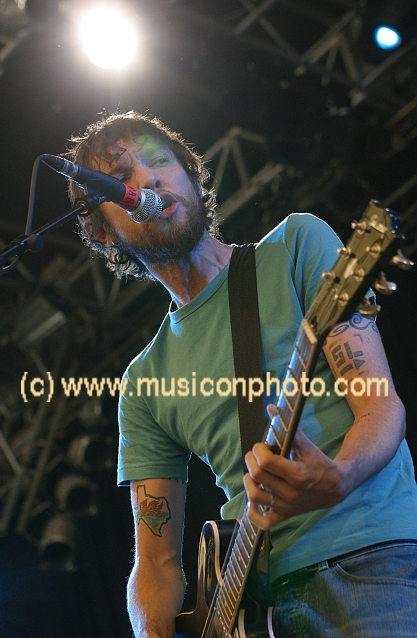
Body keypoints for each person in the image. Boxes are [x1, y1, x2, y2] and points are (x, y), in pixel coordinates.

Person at [66, 111, 417, 637]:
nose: (149, 179)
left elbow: (379, 406)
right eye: (121, 179)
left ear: (191, 174)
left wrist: (340, 476)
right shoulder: (143, 384)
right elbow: (156, 563)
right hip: (252, 608)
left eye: (161, 161)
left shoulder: (296, 245)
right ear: (101, 230)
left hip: (368, 562)